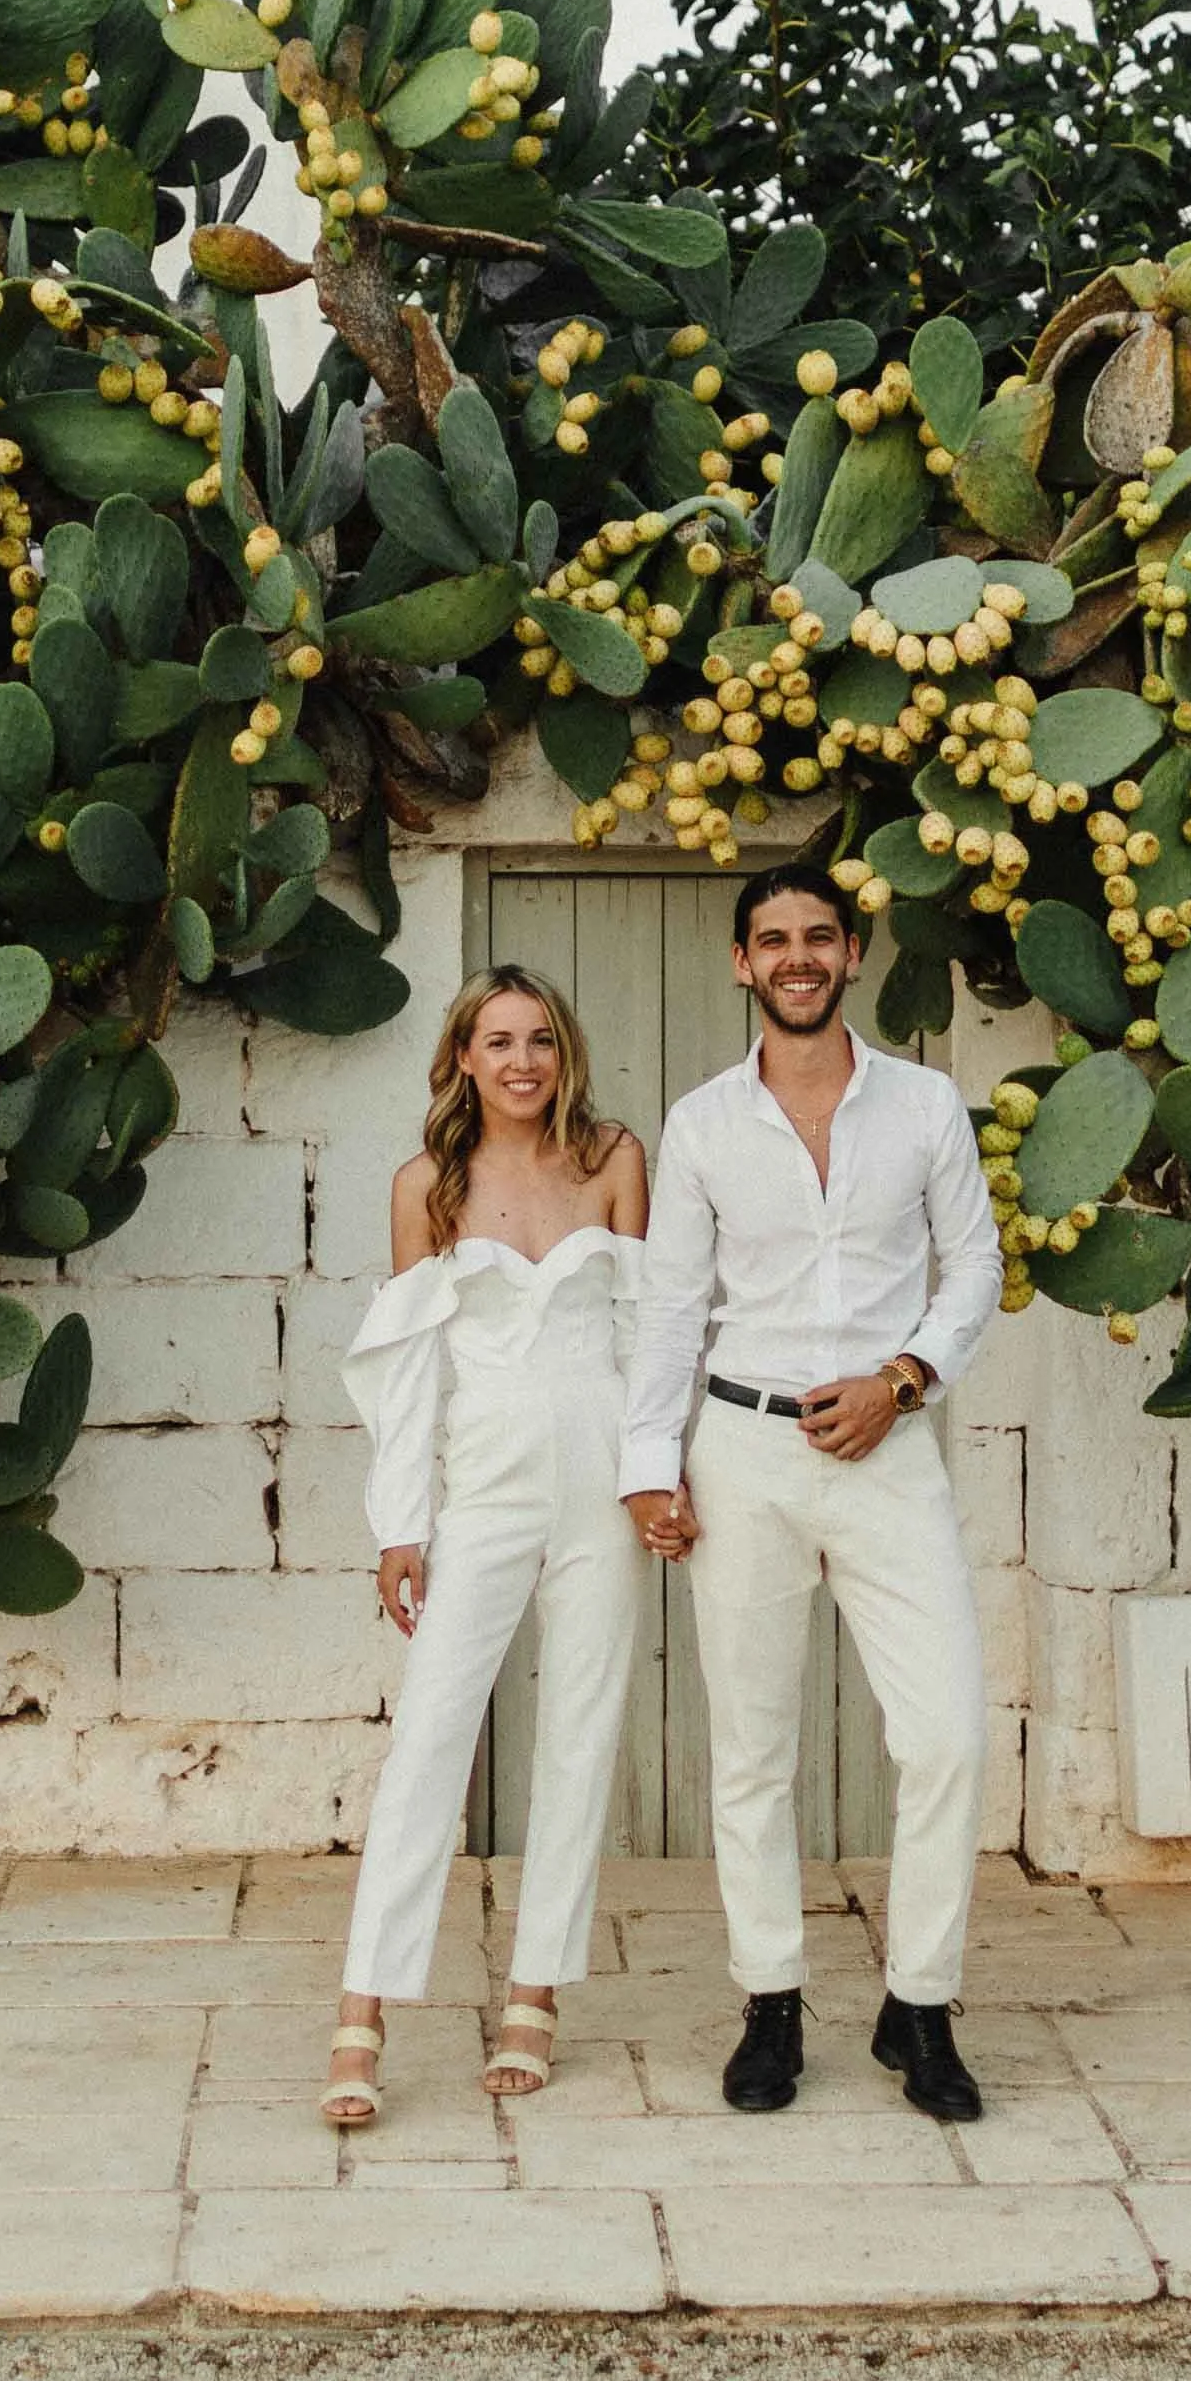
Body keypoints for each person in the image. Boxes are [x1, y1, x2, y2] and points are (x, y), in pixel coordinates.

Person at [621, 865, 1003, 2121]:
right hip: (745, 1451)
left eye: (819, 937)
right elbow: (672, 1305)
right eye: (773, 939)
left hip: (887, 1450)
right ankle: (771, 2003)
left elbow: (976, 1270)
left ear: (851, 954)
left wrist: (903, 1379)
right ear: (743, 963)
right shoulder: (703, 1125)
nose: (797, 956)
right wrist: (648, 1466)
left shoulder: (926, 1105)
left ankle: (923, 2007)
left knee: (945, 1730)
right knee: (754, 1748)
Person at [323, 966, 657, 2127]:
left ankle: (534, 1995)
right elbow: (410, 1366)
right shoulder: (428, 1185)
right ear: (463, 1058)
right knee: (429, 1739)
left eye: (541, 1042)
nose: (522, 1062)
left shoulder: (614, 1159)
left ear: (564, 1054)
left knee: (581, 1731)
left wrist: (655, 1475)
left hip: (601, 1476)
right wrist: (400, 1523)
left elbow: (644, 1330)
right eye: (498, 1042)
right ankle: (364, 2009)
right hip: (489, 1484)